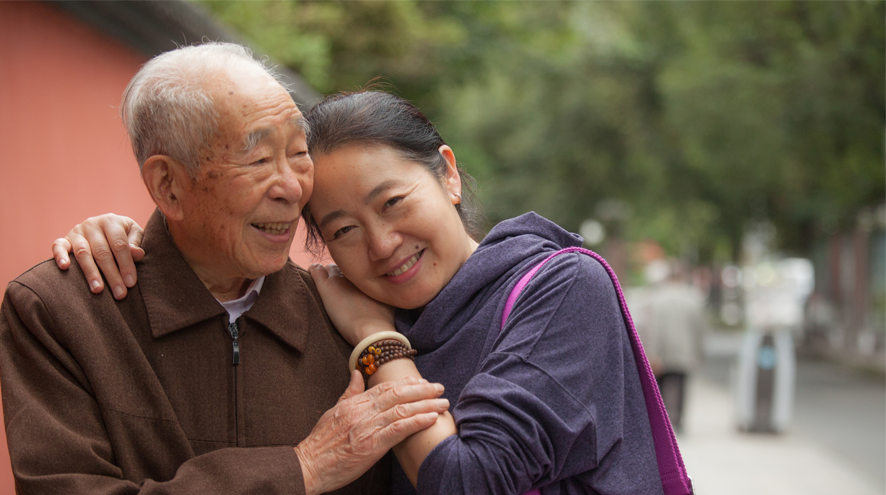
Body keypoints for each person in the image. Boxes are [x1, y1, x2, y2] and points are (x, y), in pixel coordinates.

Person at [55, 91, 665, 494]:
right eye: (343, 230)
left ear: (448, 173)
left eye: (393, 202)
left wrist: (377, 340)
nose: (382, 245)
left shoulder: (559, 289)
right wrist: (130, 242)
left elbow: (470, 481)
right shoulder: (335, 313)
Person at [0, 43, 450, 494]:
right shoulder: (60, 312)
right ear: (168, 185)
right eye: (259, 160)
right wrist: (302, 468)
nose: (293, 189)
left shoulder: (350, 315)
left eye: (299, 152)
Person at [638, 259, 707, 433]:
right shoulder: (694, 300)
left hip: (662, 352)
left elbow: (653, 329)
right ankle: (679, 421)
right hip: (685, 351)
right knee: (681, 387)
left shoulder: (657, 300)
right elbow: (699, 329)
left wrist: (652, 352)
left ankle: (661, 421)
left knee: (659, 388)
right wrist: (699, 352)